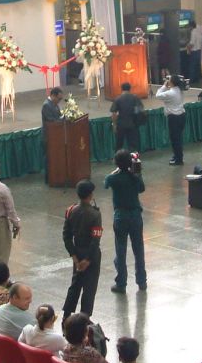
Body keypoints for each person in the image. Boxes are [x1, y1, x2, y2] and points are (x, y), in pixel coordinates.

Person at [105, 149, 146, 294]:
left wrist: (118, 169)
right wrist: (136, 172)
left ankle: (121, 283)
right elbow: (141, 188)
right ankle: (142, 282)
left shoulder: (113, 178)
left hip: (121, 216)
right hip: (135, 215)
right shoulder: (135, 178)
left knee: (121, 250)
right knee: (138, 249)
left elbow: (106, 182)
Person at [62, 179, 102, 318]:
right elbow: (95, 240)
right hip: (91, 255)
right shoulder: (95, 214)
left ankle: (66, 317)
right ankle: (84, 319)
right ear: (90, 195)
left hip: (77, 253)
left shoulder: (70, 210)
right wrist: (88, 259)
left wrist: (74, 256)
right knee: (89, 288)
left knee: (75, 285)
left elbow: (66, 236)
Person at [155, 73, 187, 166]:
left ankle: (179, 160)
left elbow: (158, 95)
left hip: (174, 118)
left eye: (169, 79)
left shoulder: (170, 93)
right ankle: (177, 155)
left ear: (171, 82)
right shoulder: (179, 90)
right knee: (178, 138)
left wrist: (164, 86)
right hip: (182, 116)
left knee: (175, 139)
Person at [110, 82, 144, 152]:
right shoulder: (135, 98)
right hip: (133, 124)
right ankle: (134, 160)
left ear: (121, 89)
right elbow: (140, 110)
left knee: (119, 144)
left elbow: (114, 113)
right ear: (130, 89)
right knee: (133, 145)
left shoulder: (118, 99)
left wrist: (114, 125)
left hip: (121, 124)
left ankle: (119, 159)